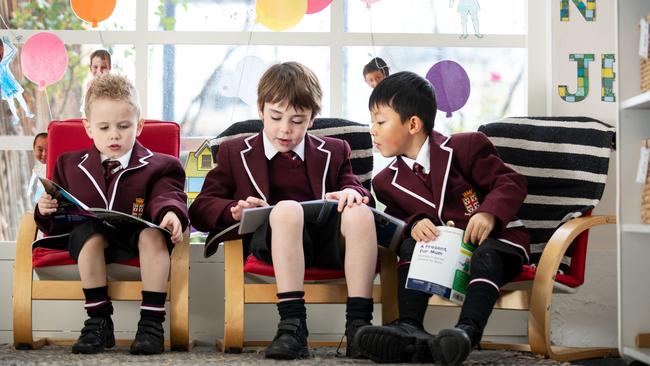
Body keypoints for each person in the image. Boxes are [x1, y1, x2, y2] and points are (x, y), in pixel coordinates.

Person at [189, 61, 378, 360]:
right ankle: (292, 324)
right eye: (276, 117)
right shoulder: (234, 152)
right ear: (261, 110)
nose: (285, 129)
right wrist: (233, 209)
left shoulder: (336, 150)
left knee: (360, 211)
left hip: (326, 242)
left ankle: (359, 326)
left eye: (297, 120)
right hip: (271, 242)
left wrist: (350, 193)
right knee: (288, 210)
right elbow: (200, 209)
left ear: (313, 119)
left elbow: (359, 190)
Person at [353, 71, 529, 366]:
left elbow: (511, 183)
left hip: (497, 243)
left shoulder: (466, 146)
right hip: (442, 255)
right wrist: (412, 224)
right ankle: (410, 329)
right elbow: (395, 220)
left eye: (380, 122)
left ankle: (466, 333)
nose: (372, 129)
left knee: (485, 254)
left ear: (413, 124)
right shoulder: (384, 181)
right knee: (411, 245)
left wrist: (488, 212)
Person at [35, 74, 188, 355]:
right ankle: (98, 320)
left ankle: (151, 323)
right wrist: (45, 209)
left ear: (139, 125)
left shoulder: (161, 165)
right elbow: (54, 215)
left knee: (153, 235)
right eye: (104, 127)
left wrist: (171, 214)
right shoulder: (68, 164)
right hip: (88, 237)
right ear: (88, 128)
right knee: (90, 236)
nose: (114, 135)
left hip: (138, 235)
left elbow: (168, 195)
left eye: (124, 126)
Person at [1, 36, 35, 124]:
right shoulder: (4, 62)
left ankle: (26, 112)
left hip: (10, 85)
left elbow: (14, 50)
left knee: (19, 99)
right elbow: (14, 50)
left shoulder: (4, 62)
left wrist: (7, 42)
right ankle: (17, 117)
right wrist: (7, 42)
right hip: (6, 87)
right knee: (12, 102)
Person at [80, 49, 112, 115]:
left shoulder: (113, 84)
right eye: (95, 67)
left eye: (103, 67)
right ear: (90, 68)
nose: (99, 71)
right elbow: (87, 106)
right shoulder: (90, 85)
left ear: (109, 68)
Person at [27, 133, 48, 203]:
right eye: (40, 150)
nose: (44, 154)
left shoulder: (57, 168)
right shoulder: (36, 171)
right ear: (34, 150)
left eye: (48, 150)